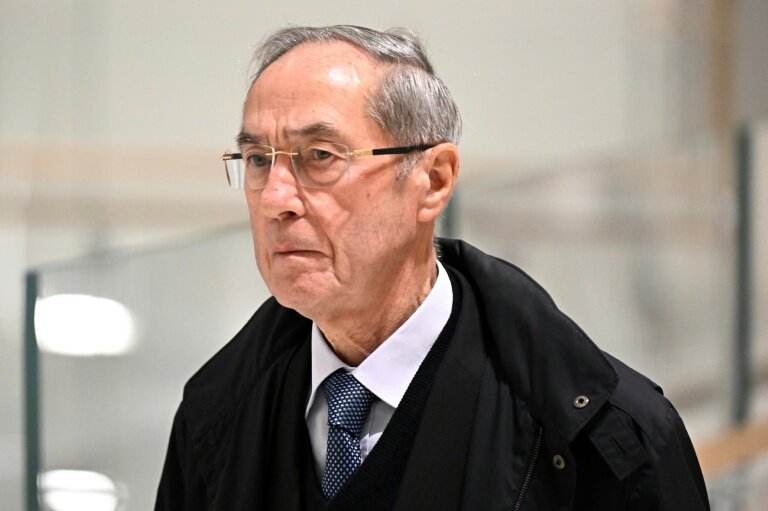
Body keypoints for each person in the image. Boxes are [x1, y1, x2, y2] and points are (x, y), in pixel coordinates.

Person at [155, 25, 709, 510]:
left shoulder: (611, 438)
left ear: (434, 180)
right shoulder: (214, 413)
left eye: (320, 156)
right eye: (257, 160)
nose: (276, 199)